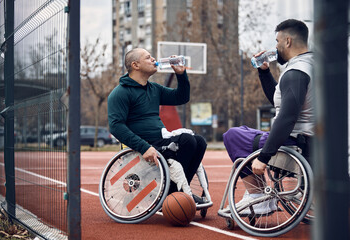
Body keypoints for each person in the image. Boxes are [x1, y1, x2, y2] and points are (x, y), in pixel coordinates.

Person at [223, 19, 314, 214]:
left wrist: (264, 156)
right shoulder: (314, 65)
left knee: (233, 135)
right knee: (246, 131)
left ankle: (258, 198)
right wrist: (264, 72)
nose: (276, 47)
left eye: (277, 41)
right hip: (313, 139)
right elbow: (282, 104)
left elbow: (287, 117)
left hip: (298, 143)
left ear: (287, 41)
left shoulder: (296, 72)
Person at [107, 48, 208, 206]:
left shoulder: (154, 88)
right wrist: (144, 147)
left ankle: (177, 193)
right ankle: (172, 196)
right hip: (143, 146)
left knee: (199, 141)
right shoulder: (120, 93)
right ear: (136, 65)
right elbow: (115, 127)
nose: (154, 59)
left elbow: (182, 97)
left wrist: (181, 75)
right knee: (187, 140)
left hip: (161, 141)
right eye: (148, 57)